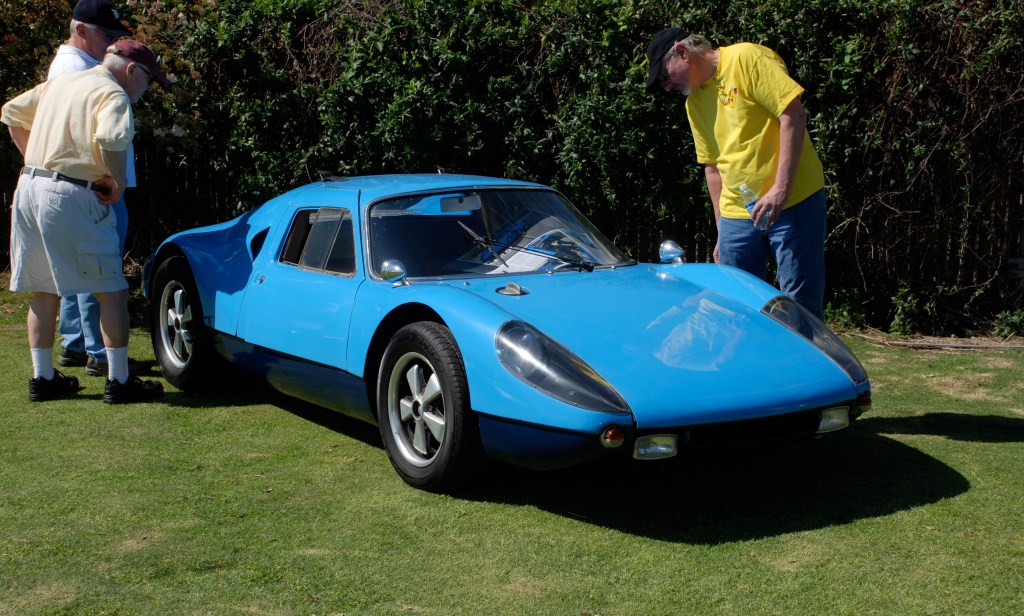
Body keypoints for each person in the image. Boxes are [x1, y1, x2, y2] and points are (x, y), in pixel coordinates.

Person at [2, 39, 170, 403]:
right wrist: (117, 182)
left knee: (45, 289)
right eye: (149, 79)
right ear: (131, 71)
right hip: (73, 194)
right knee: (112, 290)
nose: (147, 88)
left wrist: (36, 160)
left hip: (29, 187)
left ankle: (43, 378)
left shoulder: (63, 82)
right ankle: (119, 381)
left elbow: (12, 113)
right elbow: (111, 138)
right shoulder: (113, 93)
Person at [645, 28, 828, 319]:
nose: (667, 87)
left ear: (681, 52)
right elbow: (712, 166)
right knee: (733, 306)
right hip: (737, 214)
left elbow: (793, 114)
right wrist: (722, 229)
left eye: (665, 76)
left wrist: (780, 188)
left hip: (794, 201)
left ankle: (801, 350)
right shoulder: (694, 104)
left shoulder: (746, 58)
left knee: (800, 305)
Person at [50, 0, 136, 377]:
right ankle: (98, 350)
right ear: (81, 30)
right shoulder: (76, 67)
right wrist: (110, 180)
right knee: (97, 268)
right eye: (106, 35)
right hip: (96, 185)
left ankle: (76, 342)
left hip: (86, 183)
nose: (111, 44)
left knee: (80, 266)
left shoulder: (75, 63)